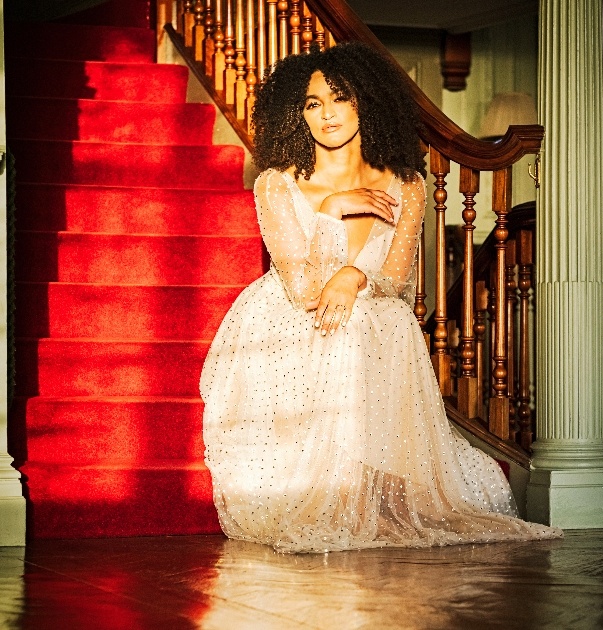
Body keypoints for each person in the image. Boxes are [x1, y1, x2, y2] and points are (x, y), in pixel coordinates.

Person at [200, 41, 562, 553]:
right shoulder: (278, 185)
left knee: (383, 318)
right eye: (312, 103)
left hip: (366, 311)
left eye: (340, 99)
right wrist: (331, 208)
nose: (326, 115)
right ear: (296, 112)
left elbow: (397, 280)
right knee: (349, 328)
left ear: (366, 102)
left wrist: (353, 278)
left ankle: (370, 489)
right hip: (289, 321)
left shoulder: (408, 184)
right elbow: (303, 289)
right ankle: (336, 489)